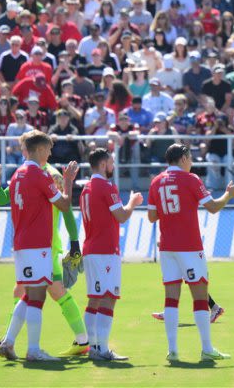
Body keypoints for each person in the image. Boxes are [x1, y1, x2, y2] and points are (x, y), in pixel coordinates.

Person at [146, 142, 234, 362]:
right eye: (190, 158)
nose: (192, 162)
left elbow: (151, 217)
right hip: (189, 246)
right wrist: (229, 195)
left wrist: (171, 211)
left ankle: (173, 351)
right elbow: (213, 207)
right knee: (199, 297)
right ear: (183, 158)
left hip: (167, 247)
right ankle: (206, 348)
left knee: (171, 298)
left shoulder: (156, 182)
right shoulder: (191, 179)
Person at [3, 130, 78, 361]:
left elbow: (2, 197)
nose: (50, 153)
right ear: (39, 150)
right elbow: (64, 206)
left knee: (28, 295)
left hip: (22, 244)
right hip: (38, 245)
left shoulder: (17, 175)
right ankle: (34, 350)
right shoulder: (40, 175)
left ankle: (8, 342)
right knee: (37, 298)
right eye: (48, 149)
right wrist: (68, 181)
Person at [80, 147, 142, 360]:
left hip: (90, 249)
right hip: (105, 250)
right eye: (111, 162)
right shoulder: (107, 186)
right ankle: (102, 349)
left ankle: (93, 348)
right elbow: (121, 216)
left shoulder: (86, 188)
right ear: (104, 164)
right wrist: (132, 202)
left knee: (94, 300)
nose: (113, 166)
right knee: (108, 298)